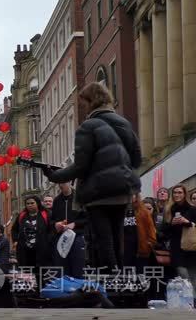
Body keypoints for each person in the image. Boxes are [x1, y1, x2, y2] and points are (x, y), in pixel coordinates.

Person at [43, 83, 141, 273]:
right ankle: (120, 280)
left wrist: (55, 175)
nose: (83, 106)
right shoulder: (123, 122)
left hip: (98, 192)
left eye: (84, 102)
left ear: (91, 101)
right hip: (123, 190)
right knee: (116, 237)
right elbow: (136, 159)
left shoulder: (87, 127)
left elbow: (81, 166)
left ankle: (111, 280)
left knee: (103, 240)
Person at [161, 185, 196, 296]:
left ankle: (193, 301)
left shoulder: (192, 209)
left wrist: (187, 222)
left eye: (180, 192)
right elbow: (163, 231)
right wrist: (172, 224)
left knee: (193, 275)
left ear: (185, 194)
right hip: (176, 247)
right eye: (175, 192)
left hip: (191, 245)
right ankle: (190, 299)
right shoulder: (169, 209)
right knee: (183, 274)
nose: (177, 195)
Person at [51, 182, 86, 278]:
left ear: (70, 182)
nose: (61, 185)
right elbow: (52, 219)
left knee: (78, 267)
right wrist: (56, 224)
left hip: (77, 236)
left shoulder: (80, 198)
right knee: (61, 269)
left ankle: (78, 290)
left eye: (64, 182)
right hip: (61, 238)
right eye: (59, 183)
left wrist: (75, 224)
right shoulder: (57, 200)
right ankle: (64, 290)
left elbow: (88, 218)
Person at [11, 196, 52, 270]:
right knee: (27, 275)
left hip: (42, 252)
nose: (29, 205)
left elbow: (52, 230)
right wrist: (15, 241)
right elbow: (14, 229)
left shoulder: (46, 214)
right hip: (25, 253)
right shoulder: (21, 215)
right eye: (27, 203)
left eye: (32, 203)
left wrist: (47, 242)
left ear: (38, 203)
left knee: (41, 275)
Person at [123, 194, 156, 273]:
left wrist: (149, 243)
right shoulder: (119, 211)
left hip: (140, 250)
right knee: (126, 276)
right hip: (124, 250)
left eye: (133, 194)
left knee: (140, 276)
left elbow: (150, 229)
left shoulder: (143, 211)